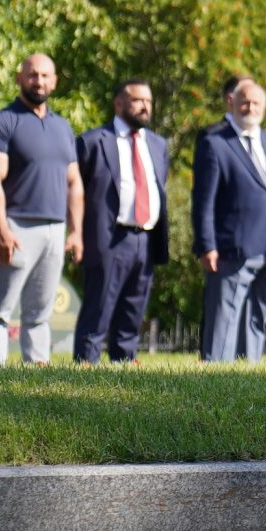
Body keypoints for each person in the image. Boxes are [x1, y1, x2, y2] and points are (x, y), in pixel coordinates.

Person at [0, 52, 86, 366]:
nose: (38, 81)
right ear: (19, 78)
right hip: (16, 226)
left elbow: (74, 183)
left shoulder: (63, 127)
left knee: (40, 311)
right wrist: (1, 229)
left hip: (54, 227)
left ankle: (36, 375)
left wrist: (76, 231)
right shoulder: (1, 123)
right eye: (32, 74)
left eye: (45, 75)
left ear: (54, 81)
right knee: (0, 309)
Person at [193, 76, 266, 362]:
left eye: (256, 103)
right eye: (245, 102)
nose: (250, 108)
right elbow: (203, 200)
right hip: (232, 247)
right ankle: (215, 374)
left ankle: (249, 371)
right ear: (233, 103)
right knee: (223, 320)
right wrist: (206, 245)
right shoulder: (214, 142)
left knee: (258, 317)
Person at [73, 79, 170, 365]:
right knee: (97, 312)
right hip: (107, 238)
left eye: (149, 102)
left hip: (146, 239)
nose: (145, 107)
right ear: (119, 103)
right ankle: (85, 370)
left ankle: (124, 369)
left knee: (132, 312)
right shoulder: (92, 141)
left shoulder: (157, 144)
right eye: (138, 100)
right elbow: (75, 192)